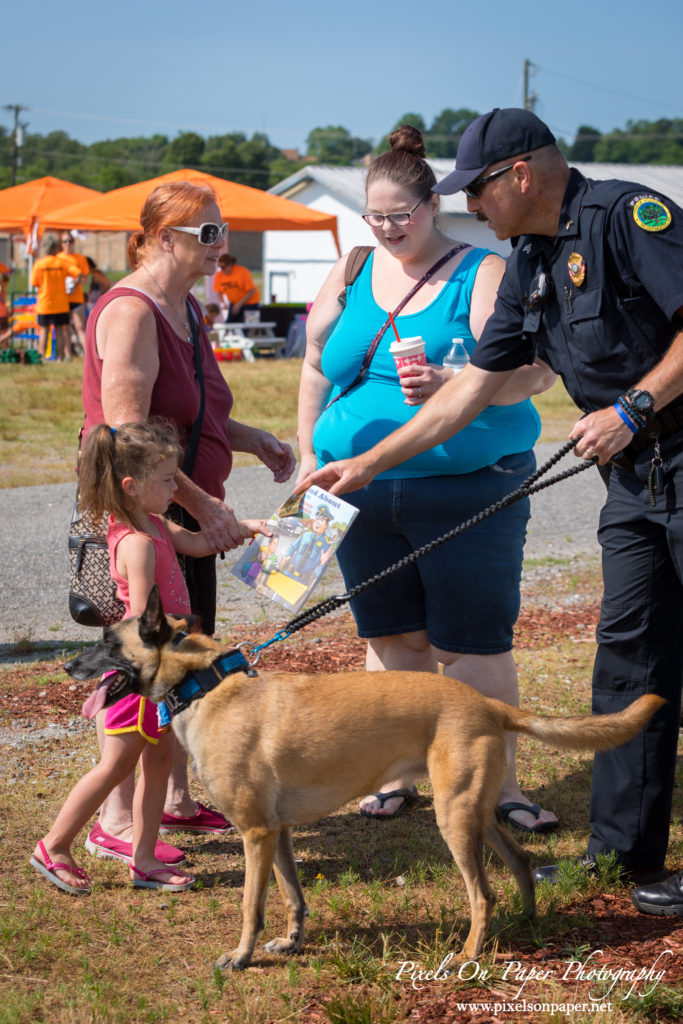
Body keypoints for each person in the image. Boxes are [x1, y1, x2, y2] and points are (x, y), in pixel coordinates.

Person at [301, 107, 683, 914]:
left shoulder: (627, 217)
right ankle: (621, 858)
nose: (468, 208)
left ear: (519, 175)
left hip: (665, 443)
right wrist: (364, 465)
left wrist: (632, 408)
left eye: (475, 191)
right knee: (627, 666)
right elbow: (470, 389)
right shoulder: (531, 262)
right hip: (634, 485)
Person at [296, 124, 557, 828]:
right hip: (353, 489)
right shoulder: (350, 268)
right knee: (389, 639)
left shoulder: (483, 272)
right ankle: (397, 772)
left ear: (432, 206)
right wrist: (303, 453)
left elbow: (531, 372)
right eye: (374, 216)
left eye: (399, 216)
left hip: (467, 486)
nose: (386, 229)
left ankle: (498, 786)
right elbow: (317, 366)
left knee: (469, 643)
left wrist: (453, 379)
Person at [81, 180, 295, 865]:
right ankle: (113, 821)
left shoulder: (185, 310)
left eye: (221, 229)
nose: (221, 244)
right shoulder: (133, 312)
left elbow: (193, 418)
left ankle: (170, 801)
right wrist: (204, 506)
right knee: (144, 665)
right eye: (208, 234)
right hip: (147, 516)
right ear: (162, 238)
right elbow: (129, 440)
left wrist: (253, 437)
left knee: (187, 651)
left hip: (178, 504)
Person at [31, 420, 265, 895]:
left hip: (162, 674)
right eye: (166, 482)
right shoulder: (135, 543)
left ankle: (144, 859)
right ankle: (54, 845)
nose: (173, 489)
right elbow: (141, 619)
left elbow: (199, 544)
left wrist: (249, 530)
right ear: (131, 487)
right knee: (115, 766)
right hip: (143, 673)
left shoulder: (154, 522)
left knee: (158, 764)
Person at [31, 235, 71, 360]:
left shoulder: (39, 264)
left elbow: (34, 283)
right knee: (60, 331)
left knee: (44, 331)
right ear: (55, 247)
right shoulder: (62, 263)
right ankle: (61, 358)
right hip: (61, 303)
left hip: (45, 303)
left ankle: (41, 357)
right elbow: (76, 274)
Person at [58, 231, 90, 355]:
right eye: (65, 241)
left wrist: (75, 284)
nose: (68, 244)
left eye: (70, 241)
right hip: (63, 298)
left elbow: (85, 278)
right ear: (61, 243)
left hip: (76, 298)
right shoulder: (58, 258)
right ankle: (67, 355)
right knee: (65, 327)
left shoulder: (80, 258)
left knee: (80, 327)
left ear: (73, 242)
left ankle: (87, 354)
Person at [213, 253, 261, 322]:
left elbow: (251, 291)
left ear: (230, 265)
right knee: (229, 326)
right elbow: (219, 292)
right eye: (219, 267)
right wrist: (223, 303)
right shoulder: (219, 275)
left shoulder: (242, 271)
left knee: (251, 326)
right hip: (235, 303)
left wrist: (239, 304)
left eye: (223, 267)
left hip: (251, 303)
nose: (221, 270)